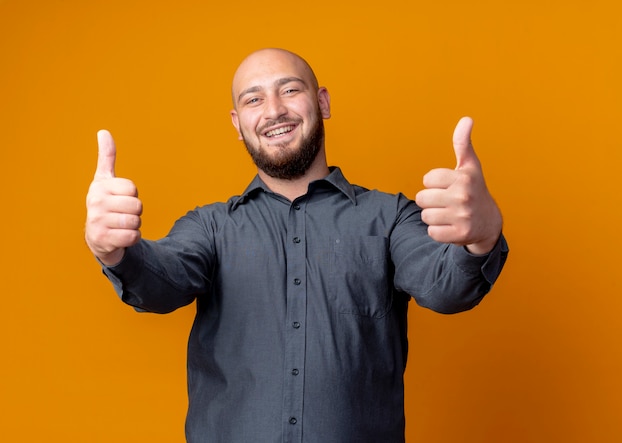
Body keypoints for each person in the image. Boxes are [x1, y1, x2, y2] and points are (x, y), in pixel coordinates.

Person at [85, 48, 508, 443]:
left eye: (290, 90)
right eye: (253, 100)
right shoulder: (209, 227)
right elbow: (161, 281)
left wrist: (483, 236)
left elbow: (446, 289)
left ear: (321, 103)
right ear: (237, 124)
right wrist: (116, 251)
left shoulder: (391, 216)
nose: (274, 110)